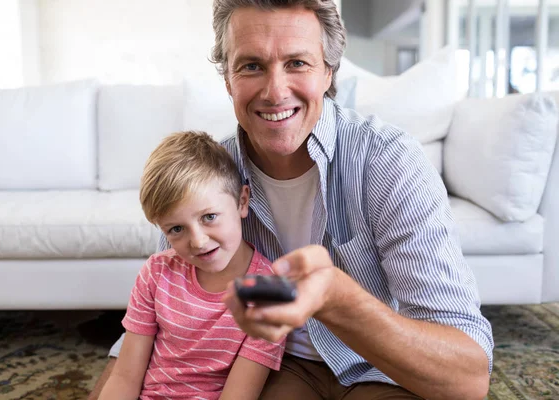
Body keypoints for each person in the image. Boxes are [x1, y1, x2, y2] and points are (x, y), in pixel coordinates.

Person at [90, 1, 494, 399]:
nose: (275, 91)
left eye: (297, 63)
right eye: (251, 66)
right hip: (272, 370)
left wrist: (335, 298)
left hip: (383, 368)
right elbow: (153, 321)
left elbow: (467, 381)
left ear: (328, 71)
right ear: (228, 79)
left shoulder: (389, 161)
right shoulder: (206, 177)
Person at [97, 131, 285, 400]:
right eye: (176, 229)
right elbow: (125, 376)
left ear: (242, 201)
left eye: (209, 216)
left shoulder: (269, 293)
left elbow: (240, 395)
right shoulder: (156, 273)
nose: (197, 241)